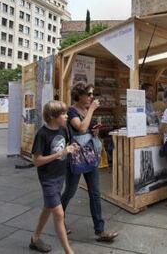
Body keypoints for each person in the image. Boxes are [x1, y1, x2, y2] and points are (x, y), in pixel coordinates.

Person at [61, 83, 118, 242]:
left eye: (93, 94)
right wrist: (92, 109)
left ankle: (100, 231)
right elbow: (80, 128)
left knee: (95, 193)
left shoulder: (86, 110)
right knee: (70, 192)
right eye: (89, 94)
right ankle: (60, 219)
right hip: (76, 157)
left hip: (90, 156)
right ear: (79, 96)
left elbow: (88, 130)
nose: (92, 97)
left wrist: (95, 131)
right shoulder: (72, 111)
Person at [30, 101, 78, 254]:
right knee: (58, 214)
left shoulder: (63, 129)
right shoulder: (42, 134)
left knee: (47, 208)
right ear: (52, 116)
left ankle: (35, 239)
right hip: (48, 179)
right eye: (63, 114)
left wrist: (71, 149)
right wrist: (61, 153)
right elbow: (36, 161)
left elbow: (65, 148)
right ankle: (68, 251)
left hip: (59, 177)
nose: (66, 116)